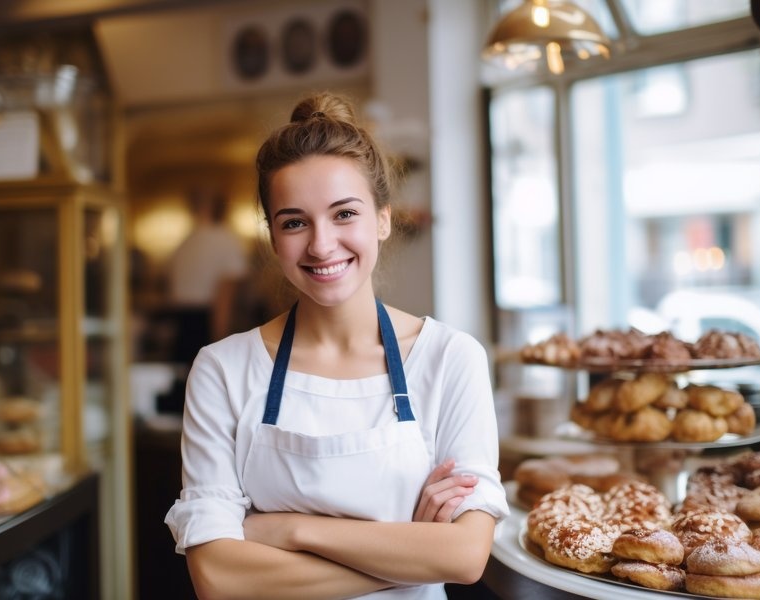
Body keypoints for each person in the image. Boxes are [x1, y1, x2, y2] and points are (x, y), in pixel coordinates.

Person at [164, 92, 509, 599]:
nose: (322, 245)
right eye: (295, 222)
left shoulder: (450, 359)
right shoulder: (222, 369)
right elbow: (216, 577)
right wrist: (413, 553)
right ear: (274, 237)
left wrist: (286, 530)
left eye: (344, 214)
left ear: (384, 219)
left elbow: (465, 556)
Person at [166, 190, 249, 365]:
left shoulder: (185, 242)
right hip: (207, 323)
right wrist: (220, 340)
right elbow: (226, 291)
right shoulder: (225, 239)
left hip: (180, 325)